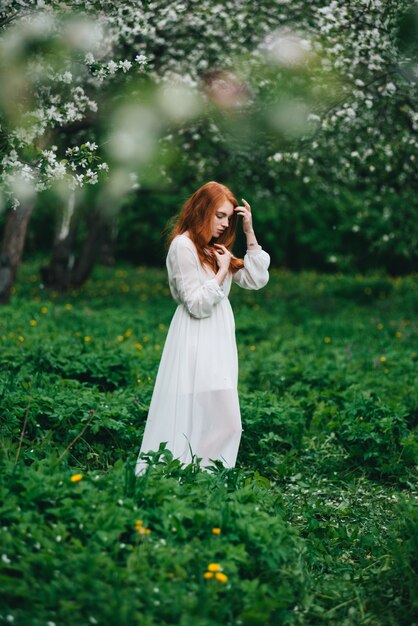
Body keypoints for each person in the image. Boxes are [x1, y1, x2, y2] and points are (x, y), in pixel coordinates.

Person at [135, 181, 270, 476]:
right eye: (219, 216)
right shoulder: (182, 246)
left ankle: (198, 477)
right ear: (202, 210)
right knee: (217, 418)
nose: (224, 224)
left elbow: (256, 279)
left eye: (228, 218)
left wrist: (248, 232)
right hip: (195, 337)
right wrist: (222, 272)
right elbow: (195, 304)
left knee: (221, 420)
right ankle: (189, 476)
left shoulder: (214, 247)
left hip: (217, 338)